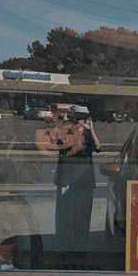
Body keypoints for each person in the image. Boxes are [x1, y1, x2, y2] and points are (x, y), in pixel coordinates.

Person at [54, 106, 100, 252]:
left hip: (84, 179)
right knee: (65, 213)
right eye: (79, 118)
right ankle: (65, 244)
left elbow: (98, 147)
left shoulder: (88, 133)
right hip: (67, 178)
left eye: (84, 118)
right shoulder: (67, 130)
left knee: (83, 214)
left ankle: (81, 245)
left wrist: (91, 129)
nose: (81, 121)